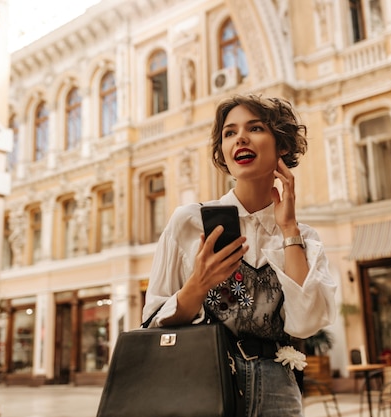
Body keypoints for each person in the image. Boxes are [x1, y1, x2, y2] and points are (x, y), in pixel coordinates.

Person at [143, 94, 337, 417]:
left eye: (255, 128)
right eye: (229, 133)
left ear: (282, 147)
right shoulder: (189, 222)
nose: (240, 138)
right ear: (222, 151)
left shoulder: (303, 238)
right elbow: (152, 318)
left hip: (278, 389)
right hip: (204, 381)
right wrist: (197, 285)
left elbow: (305, 323)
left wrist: (288, 228)